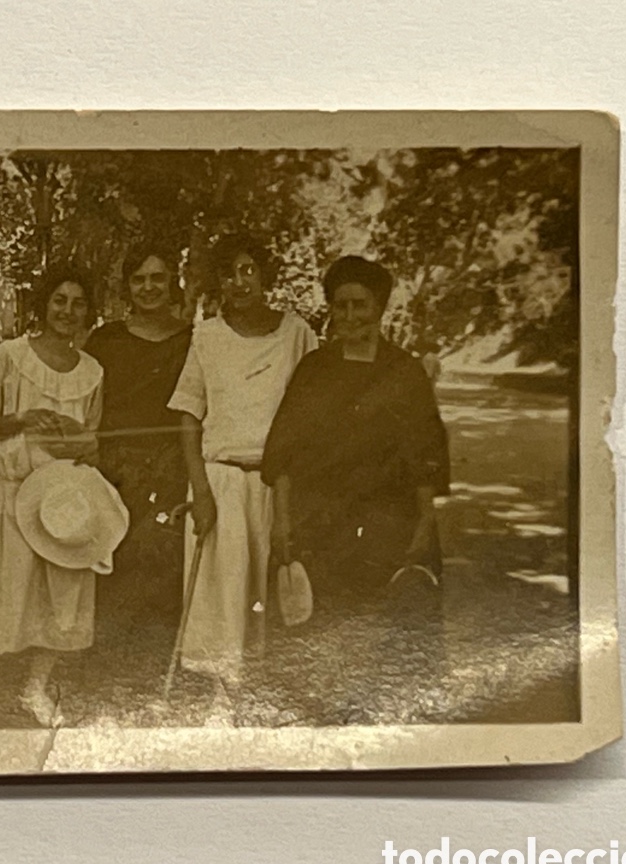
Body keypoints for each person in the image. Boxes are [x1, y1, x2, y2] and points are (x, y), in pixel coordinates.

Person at [261, 256, 450, 720]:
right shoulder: (314, 370)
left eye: (359, 305)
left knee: (385, 629)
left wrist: (425, 524)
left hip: (389, 521)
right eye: (339, 306)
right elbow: (283, 452)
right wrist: (282, 523)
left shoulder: (405, 374)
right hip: (319, 521)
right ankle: (319, 717)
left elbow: (426, 457)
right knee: (317, 625)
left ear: (380, 308)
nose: (348, 316)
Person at [0, 267, 105, 726]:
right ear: (43, 304)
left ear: (87, 312)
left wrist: (73, 437)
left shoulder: (93, 372)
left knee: (60, 594)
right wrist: (25, 420)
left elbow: (91, 444)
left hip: (65, 499)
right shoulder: (10, 356)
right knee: (3, 589)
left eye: (77, 302)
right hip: (14, 494)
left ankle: (36, 685)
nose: (67, 311)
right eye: (59, 300)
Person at [166, 233, 319, 695]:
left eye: (248, 270)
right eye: (229, 273)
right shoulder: (208, 336)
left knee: (273, 590)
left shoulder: (297, 335)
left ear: (266, 276)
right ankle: (221, 696)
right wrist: (202, 492)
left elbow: (315, 410)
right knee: (224, 596)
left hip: (280, 482)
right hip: (221, 481)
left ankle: (264, 694)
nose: (239, 281)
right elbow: (189, 416)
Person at [83, 244, 192, 631]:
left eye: (157, 278)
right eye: (139, 279)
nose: (148, 287)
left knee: (164, 560)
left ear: (172, 282)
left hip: (172, 467)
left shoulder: (195, 340)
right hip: (114, 470)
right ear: (127, 287)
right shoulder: (105, 340)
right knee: (113, 558)